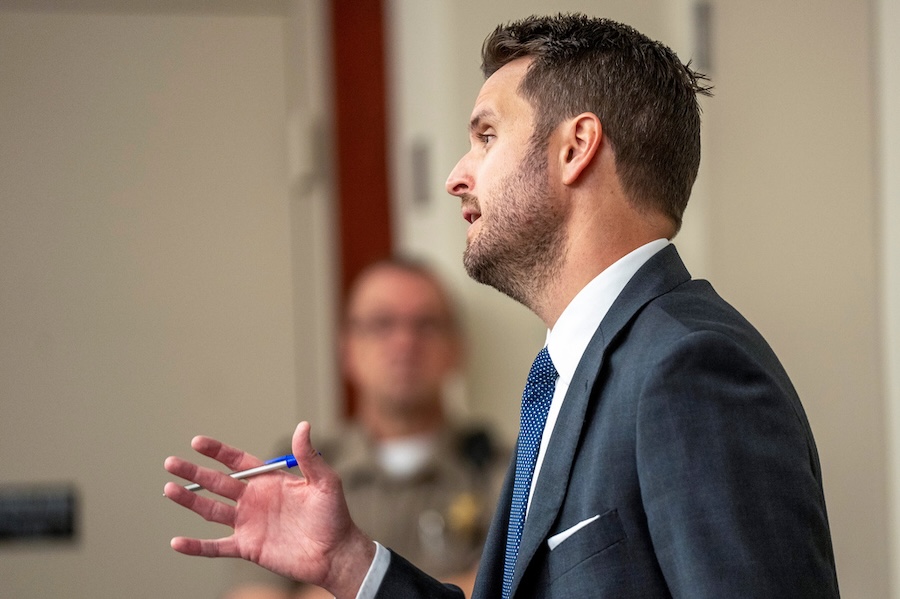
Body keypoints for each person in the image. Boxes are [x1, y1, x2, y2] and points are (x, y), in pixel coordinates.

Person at [164, 14, 840, 598]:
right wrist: (350, 562)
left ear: (575, 148)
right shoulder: (563, 377)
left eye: (486, 136)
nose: (459, 172)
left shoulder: (690, 366)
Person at [223, 259, 507, 599]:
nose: (404, 342)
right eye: (381, 324)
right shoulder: (295, 467)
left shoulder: (504, 470)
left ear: (457, 348)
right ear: (346, 350)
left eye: (426, 325)